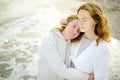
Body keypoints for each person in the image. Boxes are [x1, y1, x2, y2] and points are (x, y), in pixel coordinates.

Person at [38, 14, 94, 80]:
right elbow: (61, 70)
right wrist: (87, 77)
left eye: (79, 30)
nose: (75, 31)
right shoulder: (49, 41)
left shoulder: (70, 42)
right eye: (73, 26)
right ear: (66, 24)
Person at [68, 2, 110, 80]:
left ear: (96, 21)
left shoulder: (102, 49)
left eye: (85, 20)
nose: (80, 24)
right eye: (79, 19)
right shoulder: (77, 35)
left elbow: (101, 78)